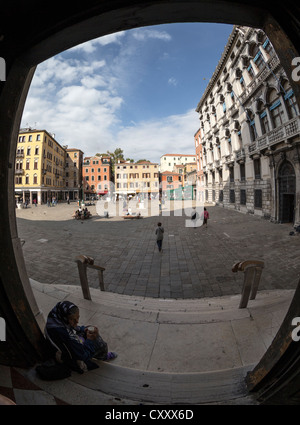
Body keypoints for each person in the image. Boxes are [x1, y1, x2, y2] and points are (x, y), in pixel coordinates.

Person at [44, 301, 117, 373]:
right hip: (74, 361)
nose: (77, 321)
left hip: (68, 347)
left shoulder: (55, 319)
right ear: (65, 318)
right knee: (96, 339)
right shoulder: (64, 334)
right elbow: (82, 355)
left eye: (78, 318)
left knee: (87, 329)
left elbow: (73, 328)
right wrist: (89, 340)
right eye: (72, 319)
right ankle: (103, 356)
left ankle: (99, 353)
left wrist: (83, 329)